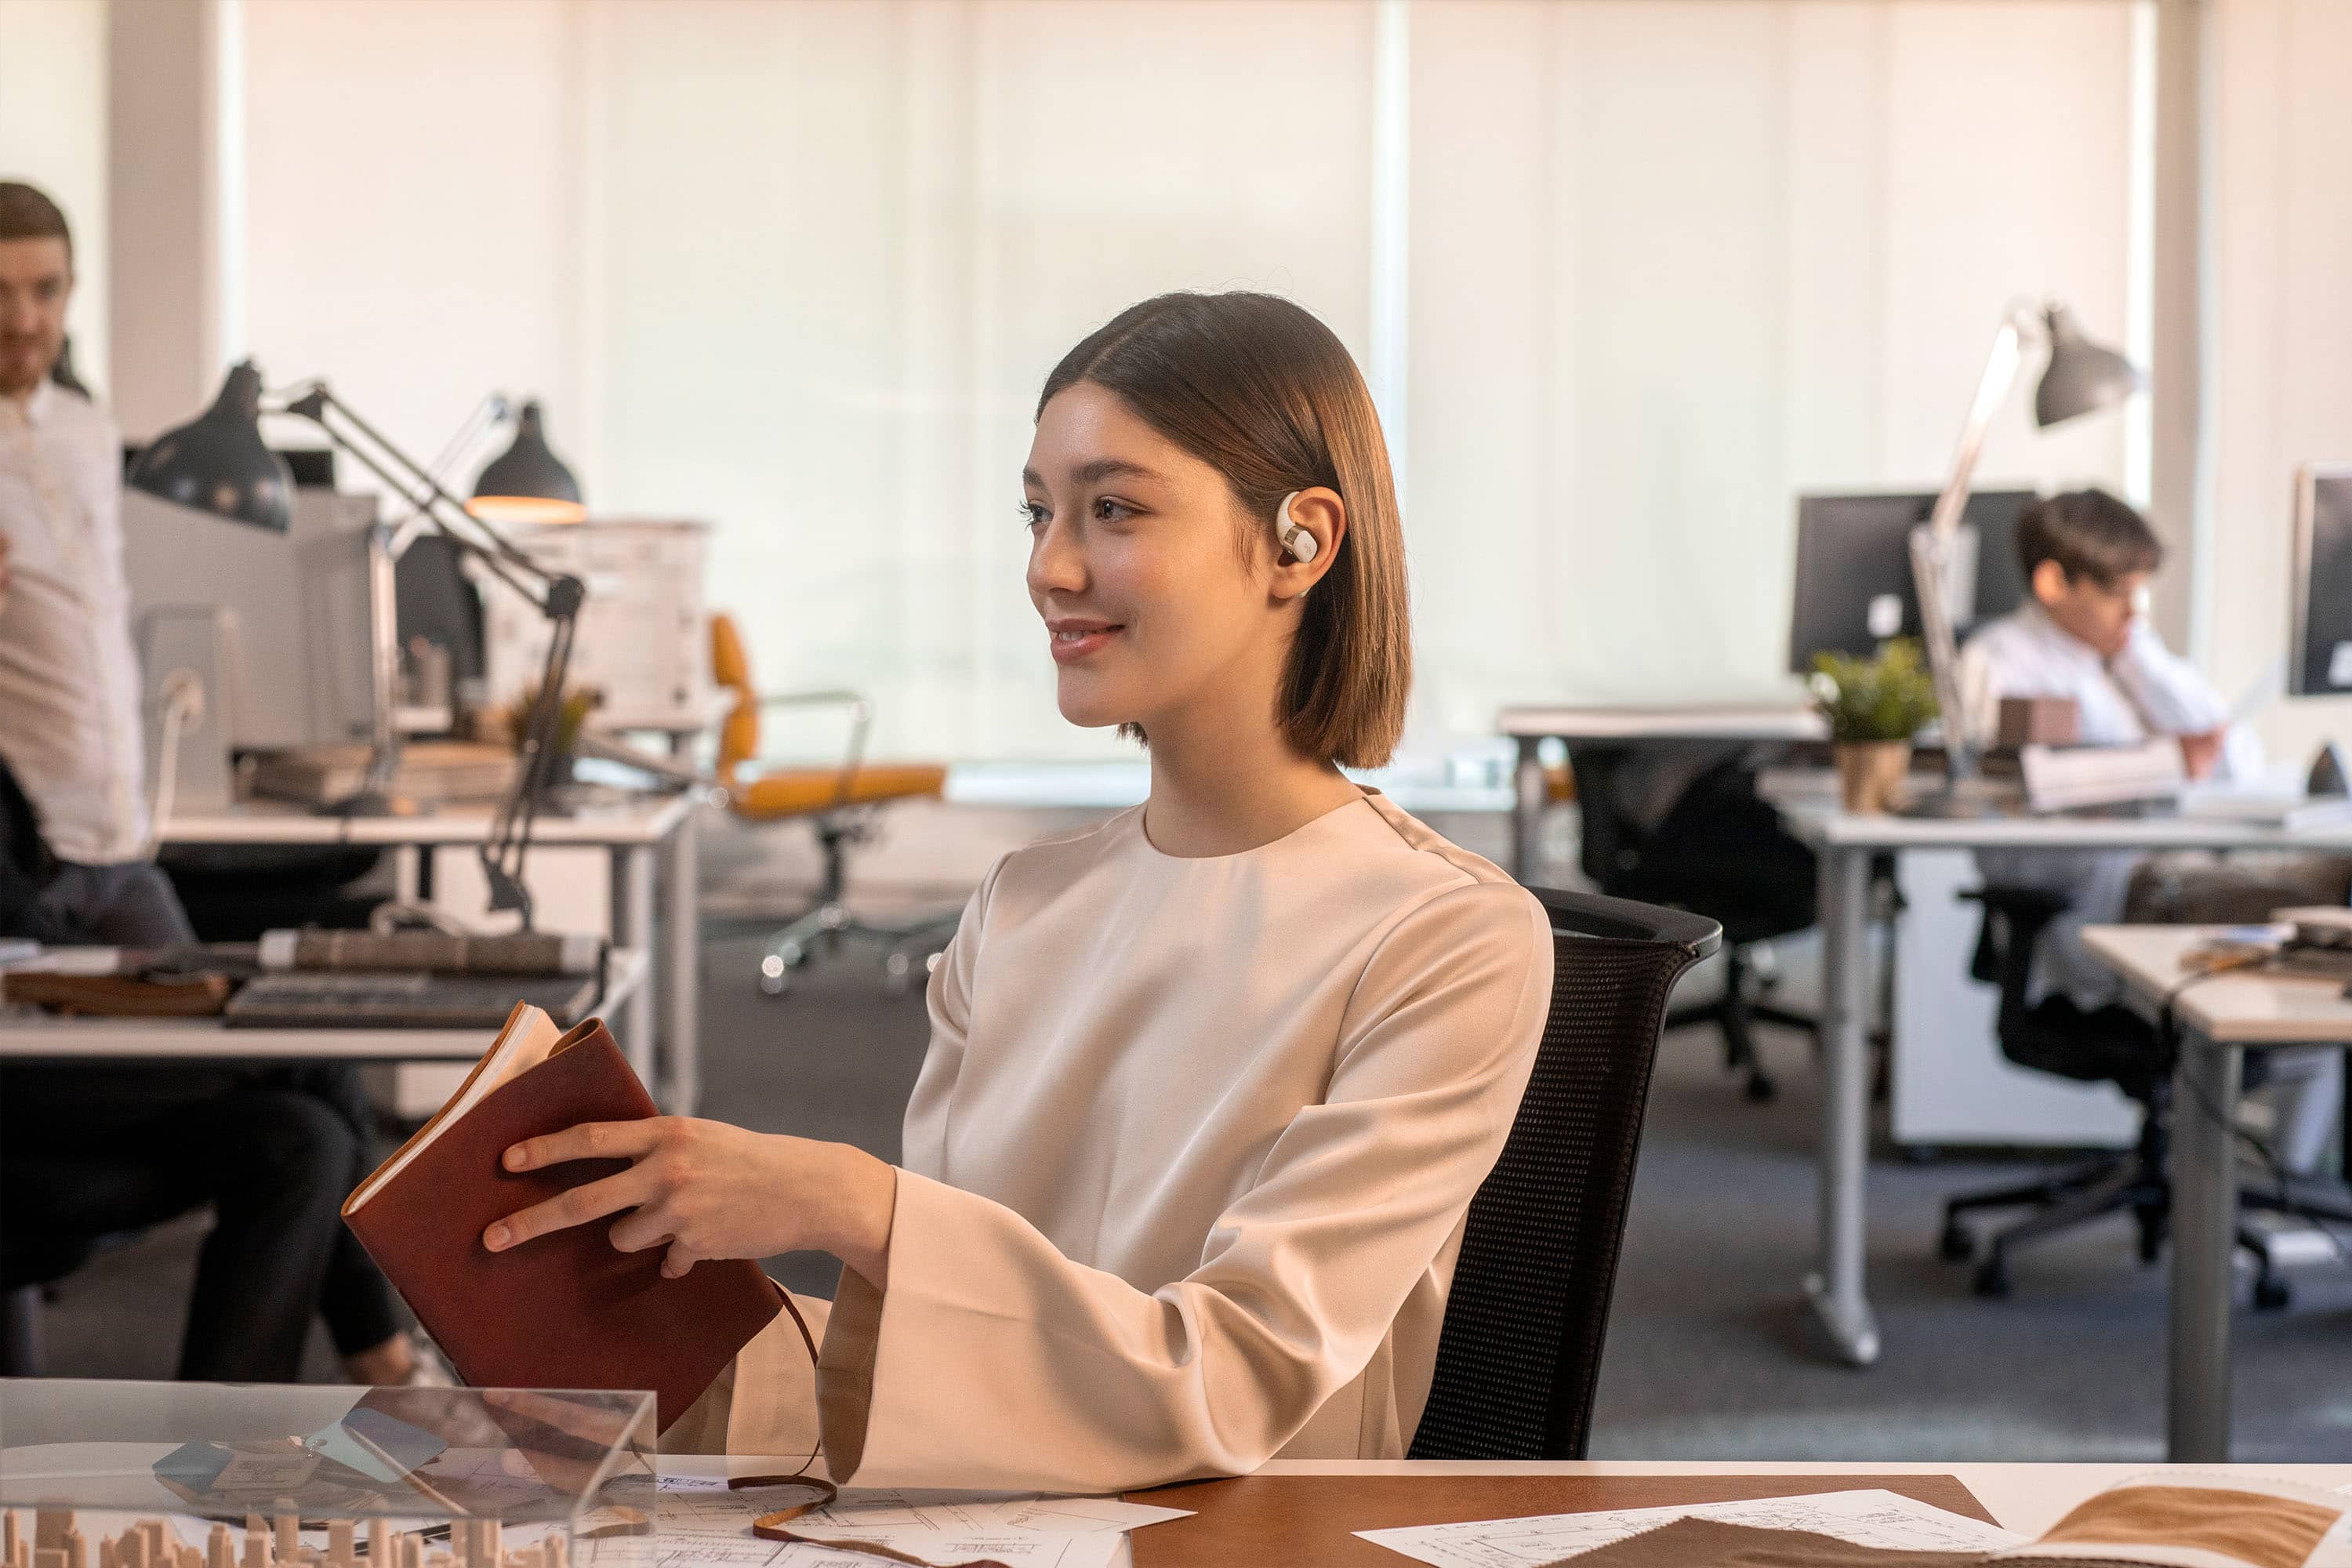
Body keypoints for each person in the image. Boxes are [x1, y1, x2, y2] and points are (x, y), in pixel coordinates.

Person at [484, 292, 1552, 1490]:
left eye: (1115, 509)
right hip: (989, 1528)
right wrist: (634, 1328)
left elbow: (1230, 1384)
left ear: (1301, 542)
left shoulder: (1449, 935)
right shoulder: (1022, 905)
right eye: (1039, 512)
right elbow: (979, 1361)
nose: (1050, 567)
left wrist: (850, 1202)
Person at [0, 179, 439, 1385]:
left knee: (296, 1101)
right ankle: (389, 1362)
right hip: (21, 864)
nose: (22, 317)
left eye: (43, 289)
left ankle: (306, 1406)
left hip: (118, 844)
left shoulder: (84, 432)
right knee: (303, 1058)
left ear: (70, 293)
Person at [1957, 488, 2343, 1174]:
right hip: (2104, 900)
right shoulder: (1999, 663)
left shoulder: (2129, 654)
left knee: (2330, 892)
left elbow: (2232, 759)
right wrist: (2166, 763)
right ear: (2053, 582)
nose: (2133, 613)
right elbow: (2020, 805)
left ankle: (2298, 1174)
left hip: (2182, 877)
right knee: (2329, 891)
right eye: (2118, 595)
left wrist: (2140, 666)